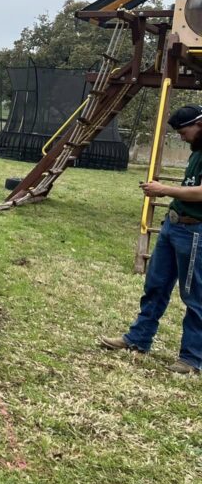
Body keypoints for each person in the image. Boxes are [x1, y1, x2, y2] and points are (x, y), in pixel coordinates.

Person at [99, 104, 202, 374]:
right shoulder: (197, 150)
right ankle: (138, 339)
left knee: (194, 296)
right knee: (155, 284)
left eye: (183, 131)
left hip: (195, 232)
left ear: (199, 123)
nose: (181, 137)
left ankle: (191, 359)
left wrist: (163, 190)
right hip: (173, 225)